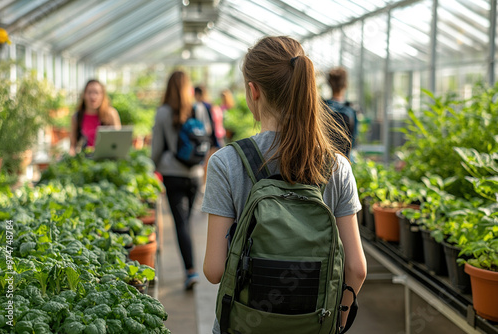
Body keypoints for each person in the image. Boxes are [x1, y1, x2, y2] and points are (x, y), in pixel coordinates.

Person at [202, 36, 367, 333]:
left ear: (254, 91)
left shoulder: (227, 162)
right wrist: (334, 324)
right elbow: (356, 268)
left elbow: (214, 270)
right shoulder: (337, 166)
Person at [151, 71, 212, 290]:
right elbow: (206, 137)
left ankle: (190, 270)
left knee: (181, 222)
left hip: (172, 173)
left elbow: (157, 147)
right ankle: (192, 268)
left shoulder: (163, 112)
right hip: (194, 174)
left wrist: (153, 167)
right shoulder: (199, 109)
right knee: (188, 219)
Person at [69, 79, 121, 155]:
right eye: (89, 92)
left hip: (107, 157)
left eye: (97, 93)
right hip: (85, 159)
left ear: (103, 95)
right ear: (84, 95)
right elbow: (72, 146)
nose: (93, 96)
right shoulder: (77, 117)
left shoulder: (111, 114)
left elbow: (119, 141)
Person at [324, 67, 359, 158]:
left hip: (324, 158)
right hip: (344, 159)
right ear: (345, 85)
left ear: (329, 84)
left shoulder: (323, 107)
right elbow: (354, 139)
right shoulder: (350, 109)